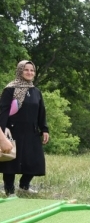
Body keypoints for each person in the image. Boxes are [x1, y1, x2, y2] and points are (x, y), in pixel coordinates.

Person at [0, 60, 49, 196]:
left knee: (35, 161)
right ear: (20, 71)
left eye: (32, 70)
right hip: (12, 131)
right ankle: (9, 190)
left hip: (32, 132)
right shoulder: (10, 89)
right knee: (10, 161)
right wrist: (2, 132)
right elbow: (3, 111)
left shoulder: (36, 91)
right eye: (26, 69)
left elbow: (41, 111)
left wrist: (44, 129)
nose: (29, 72)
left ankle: (24, 186)